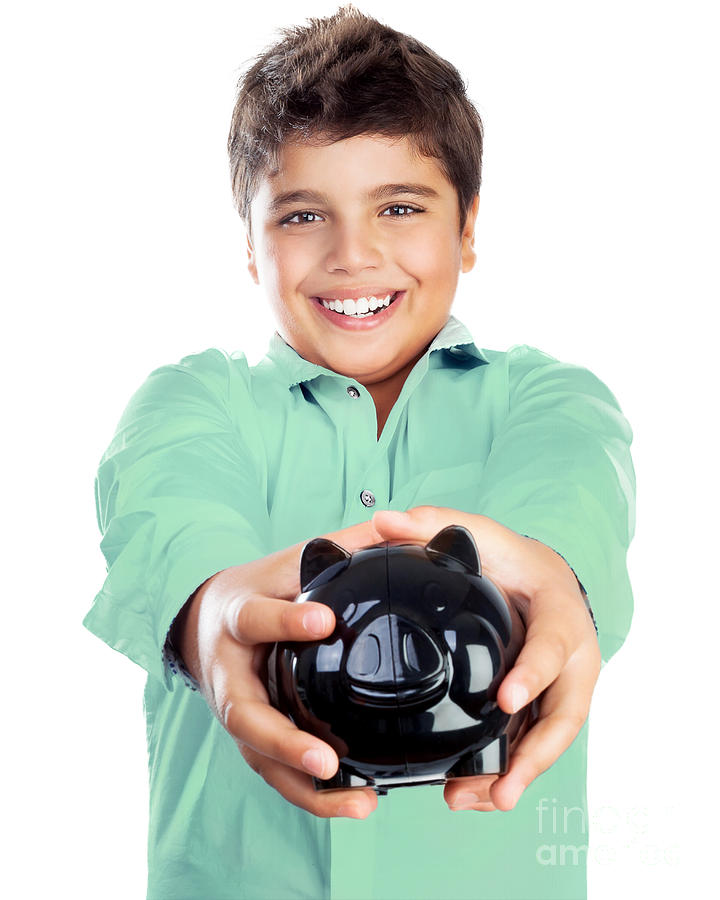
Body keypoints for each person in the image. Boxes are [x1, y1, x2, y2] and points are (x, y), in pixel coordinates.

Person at [83, 5, 636, 898]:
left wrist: (552, 572)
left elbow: (571, 493)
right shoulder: (190, 403)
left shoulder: (548, 399)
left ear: (467, 227)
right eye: (303, 215)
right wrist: (214, 612)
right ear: (251, 247)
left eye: (401, 207)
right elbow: (172, 521)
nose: (354, 254)